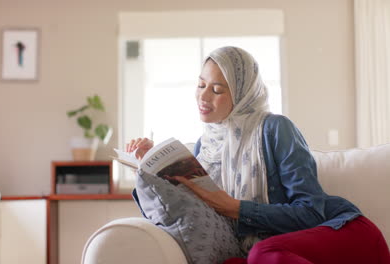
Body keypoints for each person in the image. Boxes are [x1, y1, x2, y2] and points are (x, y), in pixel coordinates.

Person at [126, 46, 390, 263]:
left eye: (217, 89)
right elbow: (193, 214)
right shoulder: (203, 147)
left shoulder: (274, 128)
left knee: (262, 254)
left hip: (340, 232)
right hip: (268, 252)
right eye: (201, 84)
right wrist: (151, 164)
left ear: (242, 94)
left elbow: (312, 212)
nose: (203, 96)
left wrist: (236, 208)